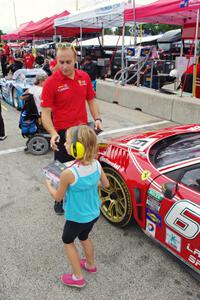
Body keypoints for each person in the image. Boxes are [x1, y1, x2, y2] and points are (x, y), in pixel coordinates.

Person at [41, 45, 102, 215]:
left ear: (76, 60)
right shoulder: (51, 82)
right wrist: (53, 133)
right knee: (62, 167)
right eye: (61, 62)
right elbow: (45, 113)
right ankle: (59, 200)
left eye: (69, 62)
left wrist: (97, 119)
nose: (65, 66)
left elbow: (91, 100)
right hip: (62, 132)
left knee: (85, 163)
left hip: (82, 131)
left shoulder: (84, 77)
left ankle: (85, 195)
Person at [46, 125, 109, 288]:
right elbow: (106, 184)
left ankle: (77, 277)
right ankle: (90, 264)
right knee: (84, 237)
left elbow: (58, 197)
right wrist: (89, 186)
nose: (64, 145)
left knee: (67, 241)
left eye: (67, 142)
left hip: (77, 217)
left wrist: (48, 184)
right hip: (94, 213)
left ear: (77, 148)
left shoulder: (69, 173)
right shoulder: (96, 164)